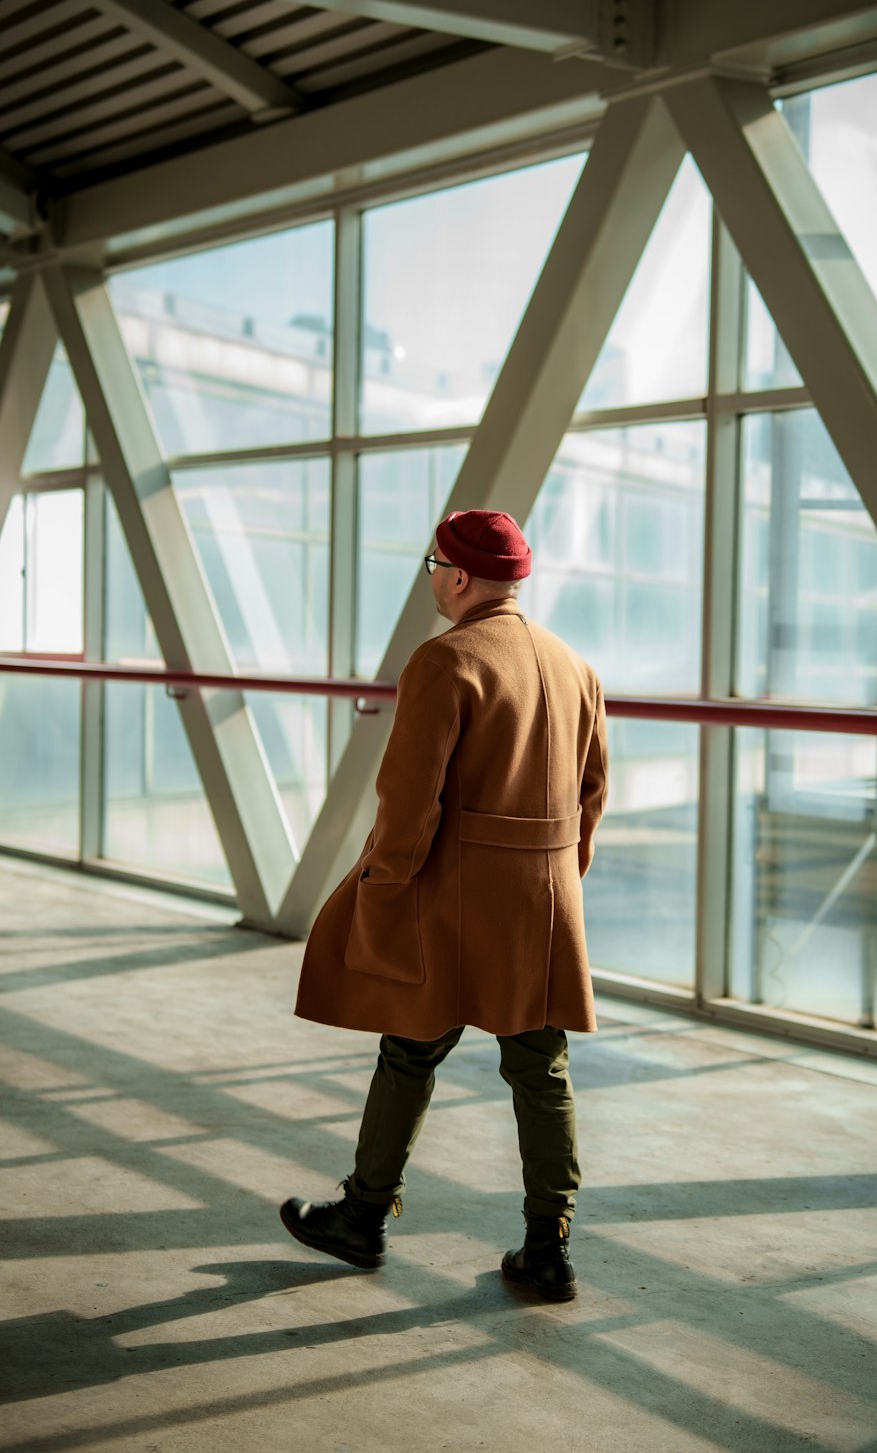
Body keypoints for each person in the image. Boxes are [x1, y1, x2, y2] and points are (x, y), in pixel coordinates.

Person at [281, 508, 608, 1301]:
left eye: (432, 563)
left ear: (458, 576)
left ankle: (362, 1217)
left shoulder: (444, 660)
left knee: (411, 1050)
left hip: (454, 898)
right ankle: (548, 1246)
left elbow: (408, 799)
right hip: (543, 899)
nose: (430, 575)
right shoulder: (574, 666)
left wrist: (386, 886)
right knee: (541, 1068)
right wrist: (558, 884)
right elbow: (593, 794)